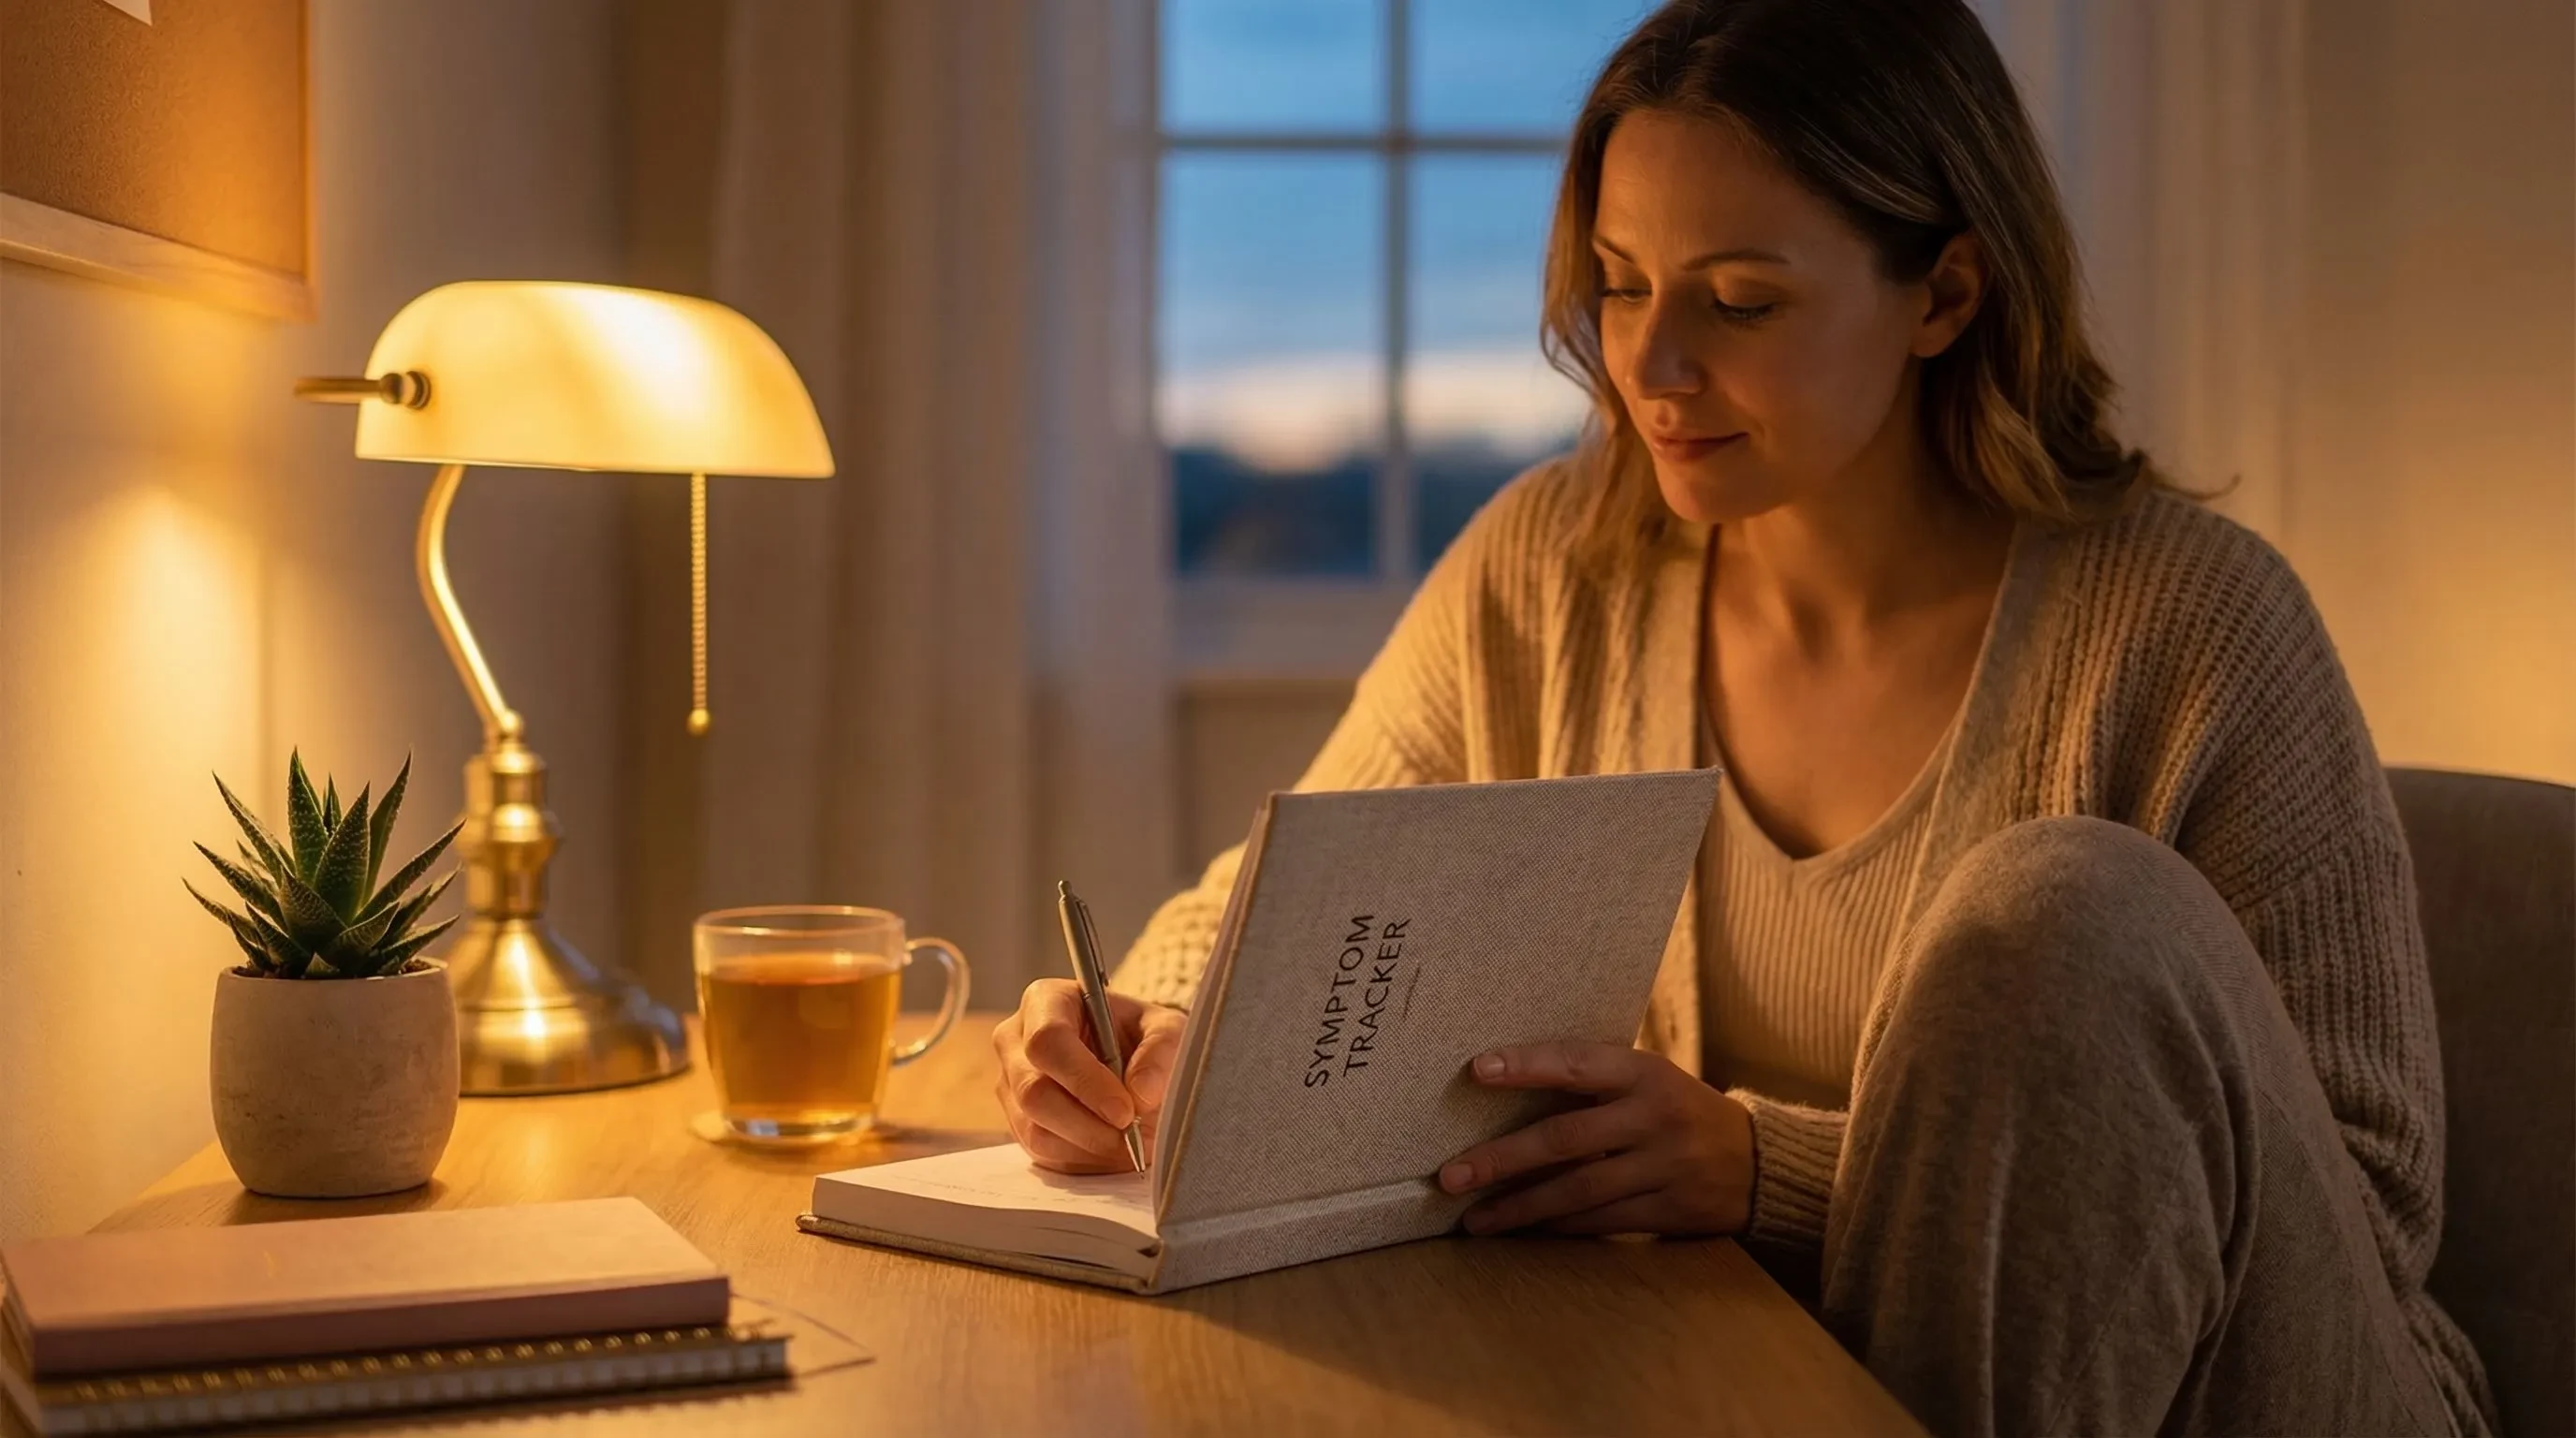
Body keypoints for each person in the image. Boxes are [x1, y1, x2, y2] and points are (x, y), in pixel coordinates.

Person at [991, 1, 2493, 1431]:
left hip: (2266, 1394)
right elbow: (1281, 910)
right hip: (1743, 1387)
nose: (1648, 364)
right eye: (1625, 282)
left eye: (1740, 301)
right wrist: (1138, 1024)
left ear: (1945, 296)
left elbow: (2362, 1211)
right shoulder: (1550, 573)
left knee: (2057, 903)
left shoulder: (2192, 626)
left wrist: (1762, 1169)